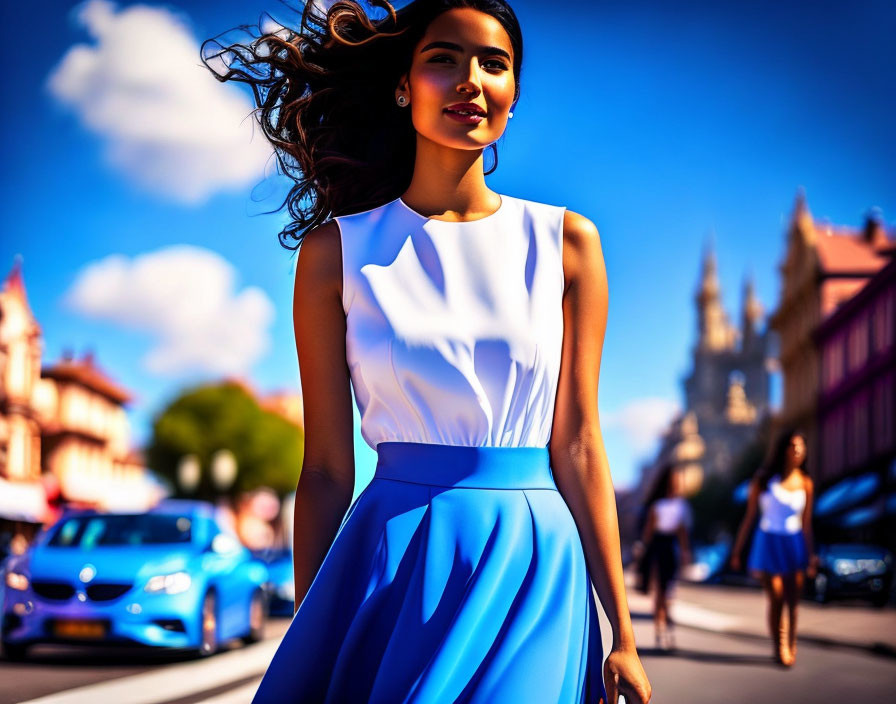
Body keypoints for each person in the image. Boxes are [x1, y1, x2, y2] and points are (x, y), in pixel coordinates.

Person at [203, 1, 651, 702]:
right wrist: (310, 633)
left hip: (537, 566)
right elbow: (323, 467)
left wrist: (622, 632)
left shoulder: (569, 245)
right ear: (403, 85)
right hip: (395, 557)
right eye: (442, 58)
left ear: (513, 94)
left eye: (493, 63)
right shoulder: (336, 253)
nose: (470, 79)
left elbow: (583, 445)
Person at [730, 427, 817, 667]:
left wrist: (811, 556)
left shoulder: (806, 483)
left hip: (795, 541)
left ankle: (792, 641)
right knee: (777, 596)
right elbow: (749, 517)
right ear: (784, 449)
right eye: (793, 446)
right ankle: (779, 645)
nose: (798, 451)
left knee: (793, 600)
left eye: (802, 446)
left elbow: (807, 523)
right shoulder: (763, 479)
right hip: (768, 540)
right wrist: (737, 551)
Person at [633, 463, 692, 651]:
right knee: (659, 592)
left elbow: (682, 531)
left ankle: (667, 629)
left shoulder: (682, 505)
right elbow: (648, 532)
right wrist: (642, 551)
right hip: (657, 547)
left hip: (671, 547)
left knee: (669, 592)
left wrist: (685, 552)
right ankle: (660, 633)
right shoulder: (657, 505)